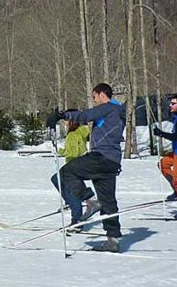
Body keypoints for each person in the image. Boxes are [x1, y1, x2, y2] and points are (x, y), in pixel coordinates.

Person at [47, 83, 125, 253]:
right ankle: (113, 239)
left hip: (101, 157)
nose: (94, 100)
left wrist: (62, 115)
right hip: (112, 161)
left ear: (102, 94)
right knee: (108, 201)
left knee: (66, 173)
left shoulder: (108, 108)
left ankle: (89, 200)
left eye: (94, 96)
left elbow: (85, 115)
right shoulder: (119, 112)